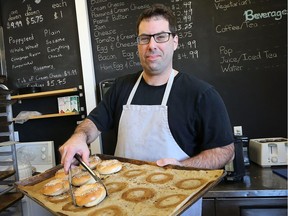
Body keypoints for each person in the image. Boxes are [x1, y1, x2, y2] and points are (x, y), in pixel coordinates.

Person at [59, 3, 234, 215]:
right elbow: (94, 123)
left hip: (176, 205)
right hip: (122, 205)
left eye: (160, 36)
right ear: (138, 44)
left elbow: (224, 151)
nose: (151, 45)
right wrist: (79, 136)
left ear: (175, 41)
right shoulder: (121, 87)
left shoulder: (201, 94)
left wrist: (184, 166)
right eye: (145, 38)